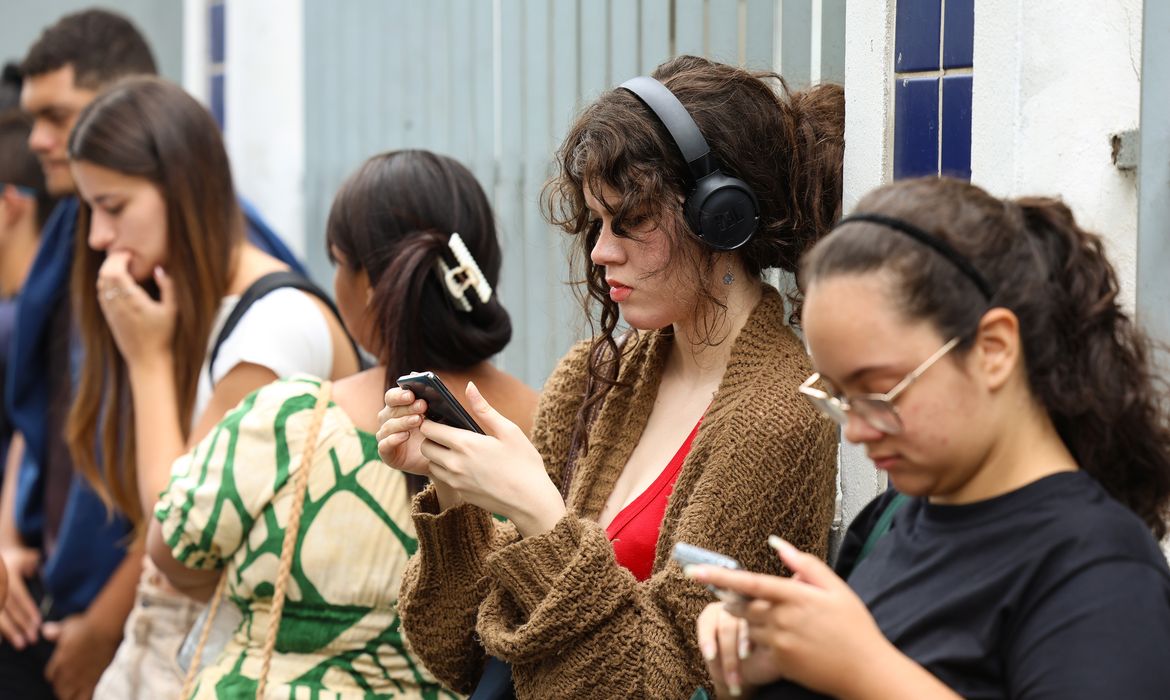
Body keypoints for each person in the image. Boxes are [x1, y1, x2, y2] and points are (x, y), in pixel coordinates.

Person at [376, 55, 844, 698]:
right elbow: (460, 653)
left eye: (631, 222)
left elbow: (666, 684)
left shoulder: (780, 418)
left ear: (721, 217)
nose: (601, 251)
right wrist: (458, 496)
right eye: (596, 223)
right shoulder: (594, 376)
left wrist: (539, 515)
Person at [690, 177, 1170, 699]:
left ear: (993, 350)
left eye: (879, 391)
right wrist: (759, 677)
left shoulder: (1098, 570)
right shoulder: (891, 519)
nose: (857, 429)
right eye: (839, 396)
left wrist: (861, 668)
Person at [144, 149, 537, 698]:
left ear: (372, 286)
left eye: (337, 261)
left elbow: (172, 555)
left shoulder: (292, 421)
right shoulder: (552, 429)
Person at [0, 10, 306, 699]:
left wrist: (108, 626)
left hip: (133, 609)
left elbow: (189, 514)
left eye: (58, 115)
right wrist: (10, 537)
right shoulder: (82, 226)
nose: (40, 139)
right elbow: (39, 413)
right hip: (54, 588)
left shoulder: (257, 300)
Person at [62, 76, 361, 699]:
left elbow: (178, 531)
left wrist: (146, 362)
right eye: (89, 209)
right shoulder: (197, 302)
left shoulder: (274, 325)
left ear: (181, 189)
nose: (96, 237)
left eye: (113, 208)